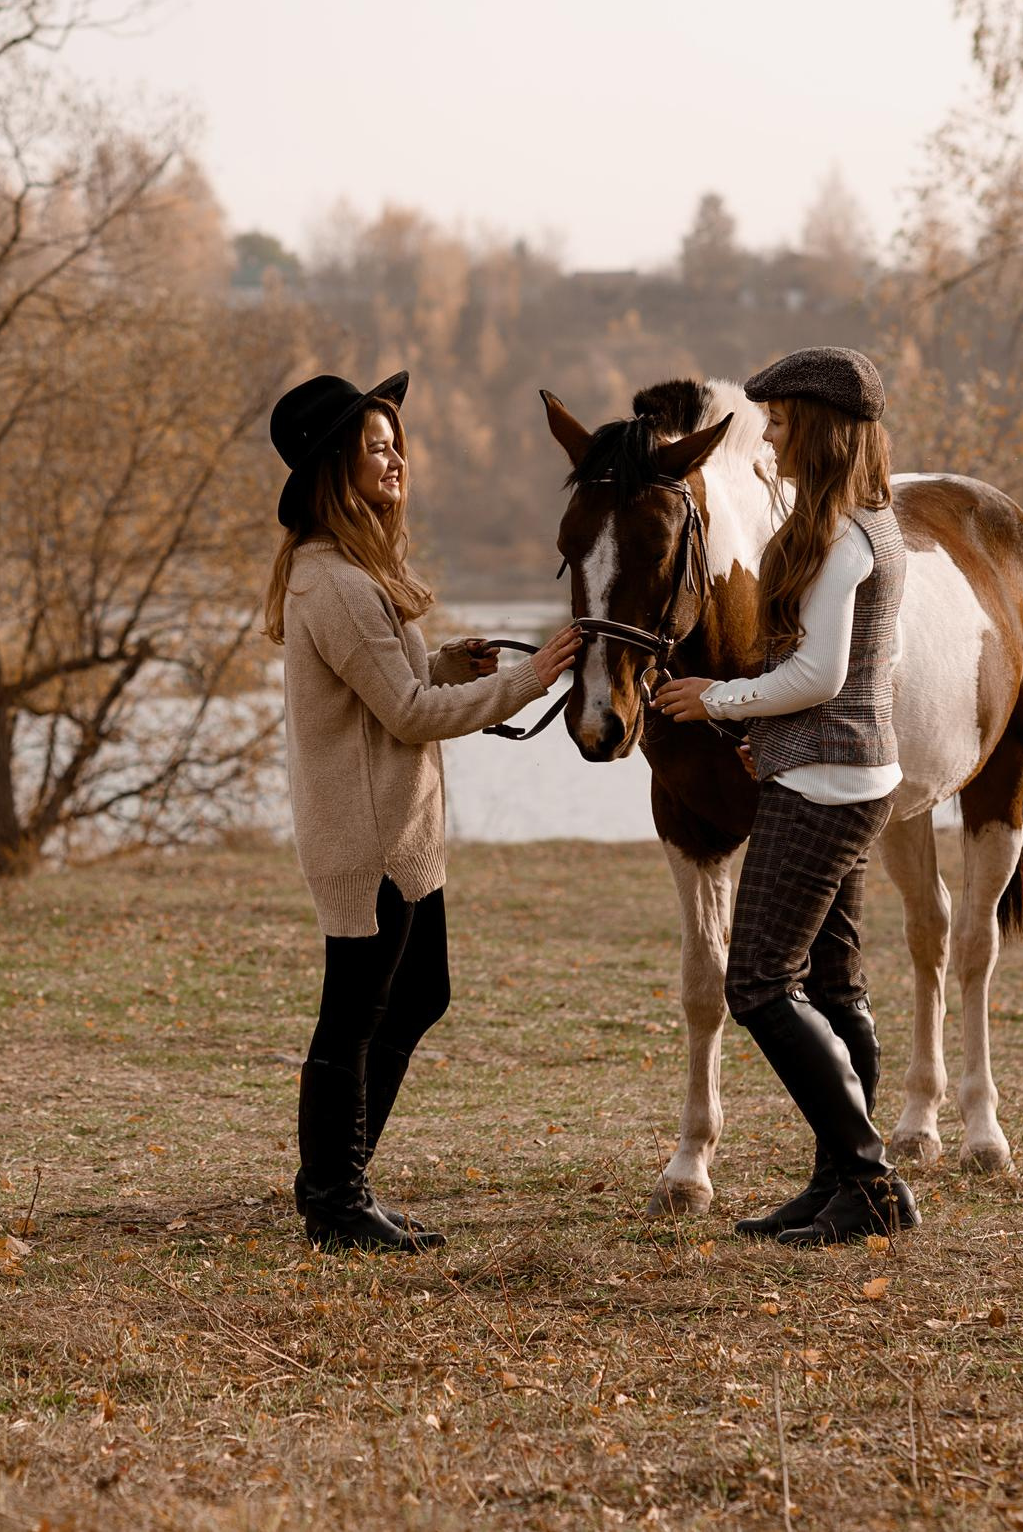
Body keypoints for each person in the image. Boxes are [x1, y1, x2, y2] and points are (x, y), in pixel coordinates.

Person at [264, 371, 582, 1252]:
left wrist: (445, 665)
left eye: (396, 444)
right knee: (353, 1016)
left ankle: (338, 1177)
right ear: (336, 466)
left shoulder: (352, 570)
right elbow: (404, 714)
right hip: (367, 840)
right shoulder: (334, 583)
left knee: (417, 994)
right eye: (376, 447)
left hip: (398, 830)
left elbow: (388, 687)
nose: (396, 459)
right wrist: (529, 677)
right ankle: (335, 1197)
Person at [653, 346, 915, 1248]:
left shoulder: (842, 536)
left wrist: (718, 700)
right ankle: (836, 1183)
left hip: (827, 787)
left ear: (821, 429)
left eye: (779, 421)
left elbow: (821, 675)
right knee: (836, 985)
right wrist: (763, 734)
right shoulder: (863, 521)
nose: (765, 435)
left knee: (760, 980)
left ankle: (871, 1181)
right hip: (846, 772)